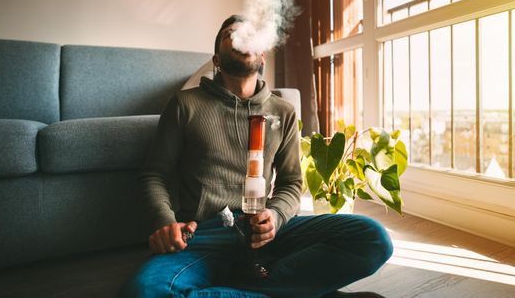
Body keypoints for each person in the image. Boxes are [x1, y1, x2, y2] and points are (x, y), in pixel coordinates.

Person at [118, 15, 393, 298]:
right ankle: (278, 288)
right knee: (144, 291)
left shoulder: (282, 111)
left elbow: (291, 183)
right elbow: (155, 174)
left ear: (262, 56)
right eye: (230, 34)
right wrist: (165, 221)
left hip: (269, 234)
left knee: (373, 238)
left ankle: (239, 286)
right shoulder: (185, 105)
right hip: (205, 237)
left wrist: (275, 216)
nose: (240, 35)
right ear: (217, 60)